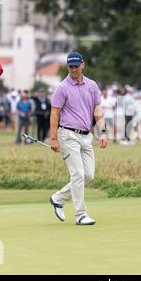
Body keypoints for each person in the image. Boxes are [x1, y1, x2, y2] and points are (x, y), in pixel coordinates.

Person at [49, 51, 107, 226]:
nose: (74, 69)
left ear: (83, 65)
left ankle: (58, 198)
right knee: (78, 174)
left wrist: (103, 132)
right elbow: (54, 112)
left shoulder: (92, 85)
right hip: (67, 134)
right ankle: (80, 215)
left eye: (76, 66)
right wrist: (53, 138)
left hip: (85, 135)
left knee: (88, 175)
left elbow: (97, 110)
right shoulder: (62, 88)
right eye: (71, 66)